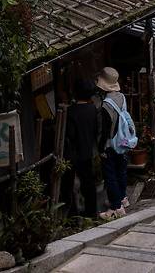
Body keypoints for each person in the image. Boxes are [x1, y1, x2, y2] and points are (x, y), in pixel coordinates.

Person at [96, 67, 130, 220]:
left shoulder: (105, 106)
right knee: (121, 171)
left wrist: (100, 148)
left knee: (110, 176)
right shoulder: (122, 97)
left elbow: (104, 131)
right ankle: (123, 198)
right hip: (123, 141)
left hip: (110, 144)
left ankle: (116, 208)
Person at [62, 79, 99, 217]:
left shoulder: (71, 111)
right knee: (88, 182)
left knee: (70, 184)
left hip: (73, 153)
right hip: (88, 150)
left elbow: (70, 134)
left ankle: (73, 214)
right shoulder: (93, 109)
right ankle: (91, 212)